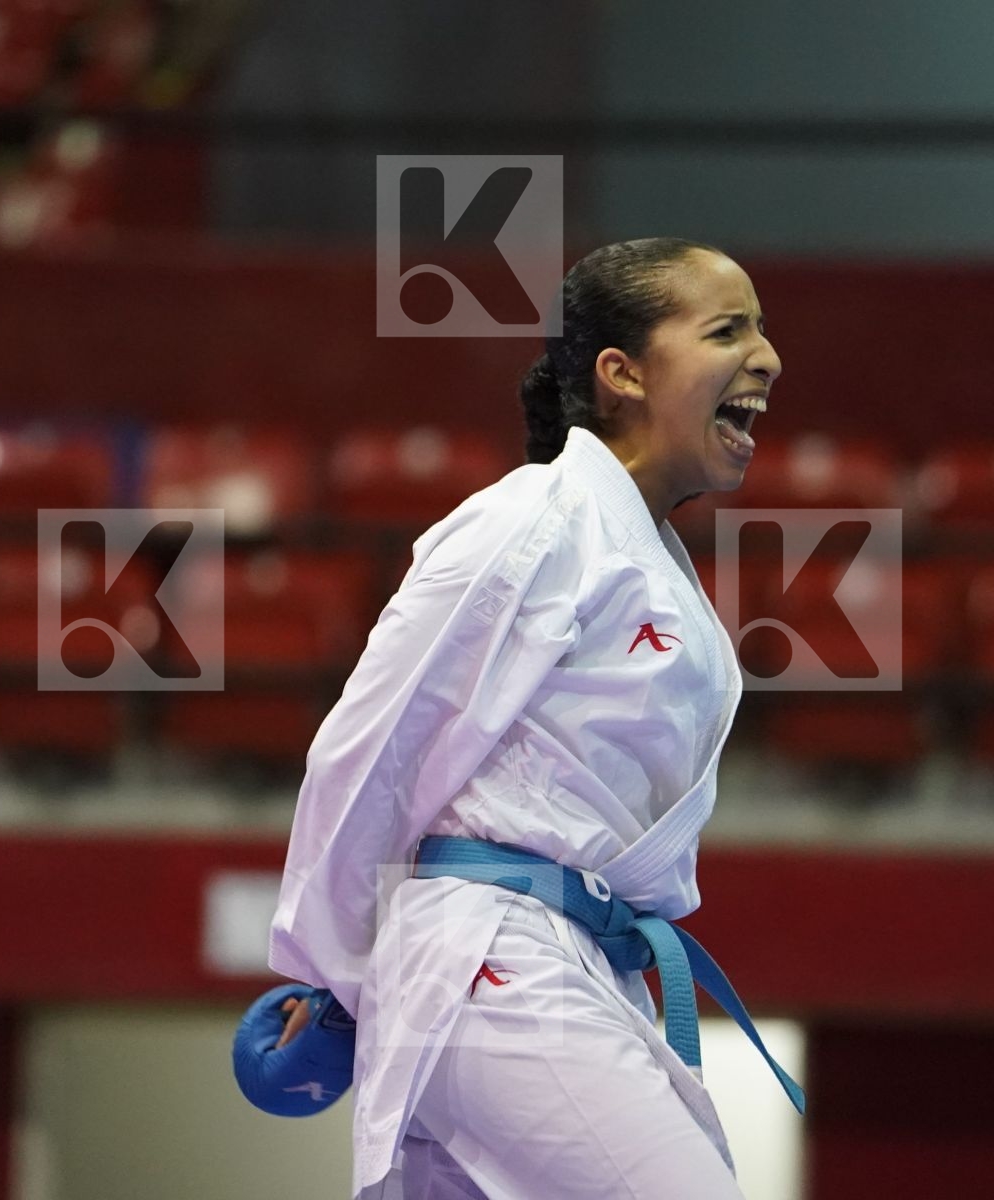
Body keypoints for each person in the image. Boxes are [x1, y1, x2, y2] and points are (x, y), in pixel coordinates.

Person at [259, 237, 789, 1199]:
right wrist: (333, 973)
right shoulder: (535, 518)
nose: (768, 357)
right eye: (727, 331)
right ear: (622, 374)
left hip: (566, 959)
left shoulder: (634, 546)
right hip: (493, 959)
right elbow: (371, 745)